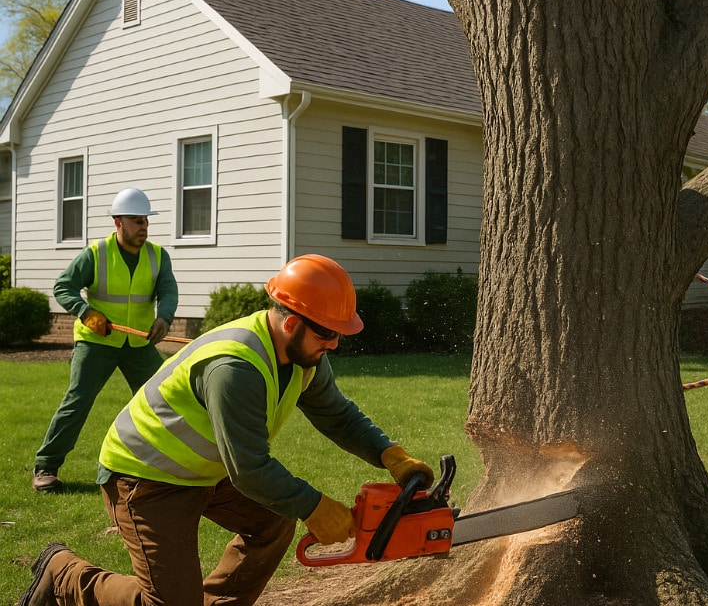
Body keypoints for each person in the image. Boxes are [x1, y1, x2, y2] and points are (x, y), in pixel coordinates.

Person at [19, 254, 435, 606]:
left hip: (206, 471)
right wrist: (315, 506)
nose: (335, 344)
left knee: (272, 521)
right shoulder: (235, 369)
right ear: (291, 322)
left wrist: (390, 455)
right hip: (144, 477)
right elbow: (251, 469)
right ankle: (64, 573)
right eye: (327, 332)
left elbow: (339, 416)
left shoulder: (305, 358)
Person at [33, 188, 178, 493]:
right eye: (136, 220)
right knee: (77, 401)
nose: (143, 227)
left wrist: (164, 317)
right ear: (118, 222)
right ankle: (47, 465)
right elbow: (63, 286)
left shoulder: (157, 255)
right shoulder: (96, 253)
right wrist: (85, 312)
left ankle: (170, 466)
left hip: (139, 345)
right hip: (96, 342)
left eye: (146, 221)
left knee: (163, 400)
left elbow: (168, 291)